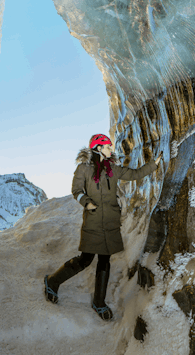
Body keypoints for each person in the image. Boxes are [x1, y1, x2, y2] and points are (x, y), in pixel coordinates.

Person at [44, 134, 162, 321]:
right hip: (93, 221)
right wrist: (87, 203)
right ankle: (52, 281)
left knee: (105, 261)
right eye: (107, 147)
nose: (110, 150)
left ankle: (99, 302)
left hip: (110, 222)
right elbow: (76, 190)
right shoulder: (83, 168)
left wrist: (153, 165)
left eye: (110, 147)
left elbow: (134, 174)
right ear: (98, 148)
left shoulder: (113, 169)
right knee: (85, 260)